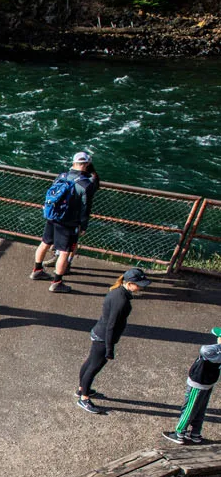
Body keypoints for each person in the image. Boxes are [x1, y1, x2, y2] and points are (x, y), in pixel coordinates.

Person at [75, 267, 149, 414]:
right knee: (94, 366)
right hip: (104, 337)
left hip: (99, 332)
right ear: (129, 283)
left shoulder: (117, 292)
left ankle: (81, 389)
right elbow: (111, 326)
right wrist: (109, 349)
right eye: (139, 284)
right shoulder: (121, 300)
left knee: (90, 362)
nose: (141, 287)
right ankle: (84, 398)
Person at [31, 151, 99, 293]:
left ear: (73, 163)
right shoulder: (85, 184)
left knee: (44, 243)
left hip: (52, 216)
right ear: (86, 164)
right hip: (69, 222)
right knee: (64, 252)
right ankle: (57, 282)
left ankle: (37, 270)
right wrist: (83, 225)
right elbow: (85, 207)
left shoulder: (61, 176)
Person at [162, 326, 221, 444]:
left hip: (198, 383)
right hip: (208, 383)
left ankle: (179, 434)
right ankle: (195, 434)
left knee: (189, 408)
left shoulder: (214, 352)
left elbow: (204, 350)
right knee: (200, 410)